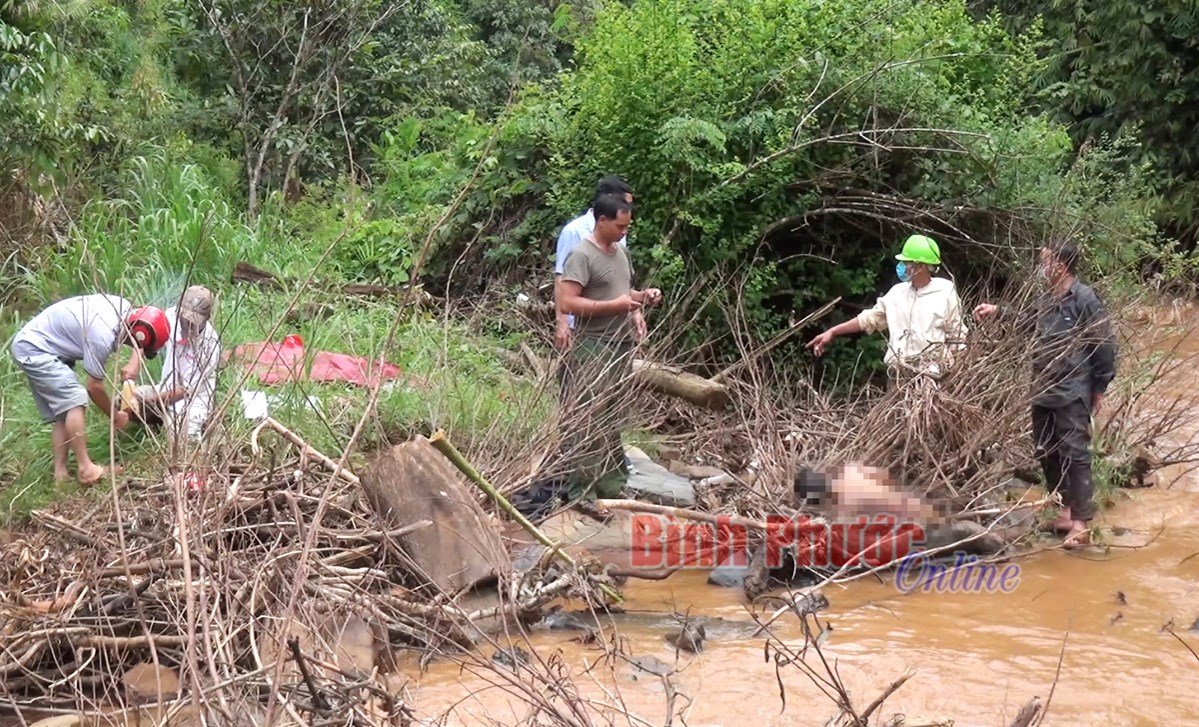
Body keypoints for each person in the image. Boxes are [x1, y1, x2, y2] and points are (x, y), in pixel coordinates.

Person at [973, 241, 1117, 547]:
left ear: (1060, 266)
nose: (1041, 268)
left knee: (1075, 454)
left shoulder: (1085, 299)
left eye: (1045, 262)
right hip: (1042, 387)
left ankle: (1081, 523)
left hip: (1074, 388)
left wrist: (1099, 387)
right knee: (1045, 449)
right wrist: (998, 311)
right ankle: (1065, 512)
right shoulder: (1046, 299)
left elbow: (1104, 345)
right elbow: (1028, 323)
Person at [555, 193, 662, 515]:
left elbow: (622, 293)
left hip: (620, 346)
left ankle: (612, 485)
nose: (624, 232)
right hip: (592, 347)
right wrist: (611, 307)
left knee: (613, 418)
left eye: (627, 227)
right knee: (588, 420)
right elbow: (567, 302)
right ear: (601, 221)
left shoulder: (619, 254)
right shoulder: (581, 255)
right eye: (619, 226)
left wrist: (643, 296)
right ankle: (581, 492)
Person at [9, 294, 170, 485]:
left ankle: (60, 476)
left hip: (39, 343)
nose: (141, 349)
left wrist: (133, 365)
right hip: (35, 349)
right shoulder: (102, 335)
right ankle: (86, 469)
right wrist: (115, 415)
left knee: (64, 411)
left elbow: (141, 332)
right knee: (76, 399)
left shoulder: (125, 310)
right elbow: (94, 387)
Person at [807, 234, 967, 379]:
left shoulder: (945, 291)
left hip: (934, 378)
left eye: (907, 262)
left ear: (921, 266)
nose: (903, 266)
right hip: (899, 378)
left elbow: (957, 335)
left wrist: (956, 376)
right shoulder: (897, 293)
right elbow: (869, 319)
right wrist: (833, 331)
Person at [553, 175, 644, 351]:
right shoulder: (575, 234)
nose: (624, 231)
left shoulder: (618, 239)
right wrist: (562, 322)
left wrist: (638, 305)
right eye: (624, 203)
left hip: (619, 337)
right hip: (588, 333)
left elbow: (619, 284)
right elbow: (562, 281)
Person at [127, 285, 221, 446]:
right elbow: (148, 334)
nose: (186, 325)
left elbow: (183, 391)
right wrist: (133, 364)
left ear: (207, 318)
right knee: (122, 401)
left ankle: (199, 427)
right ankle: (157, 420)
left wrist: (145, 402)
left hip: (192, 401)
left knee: (183, 440)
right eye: (184, 320)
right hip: (164, 389)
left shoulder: (211, 346)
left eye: (192, 323)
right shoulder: (171, 316)